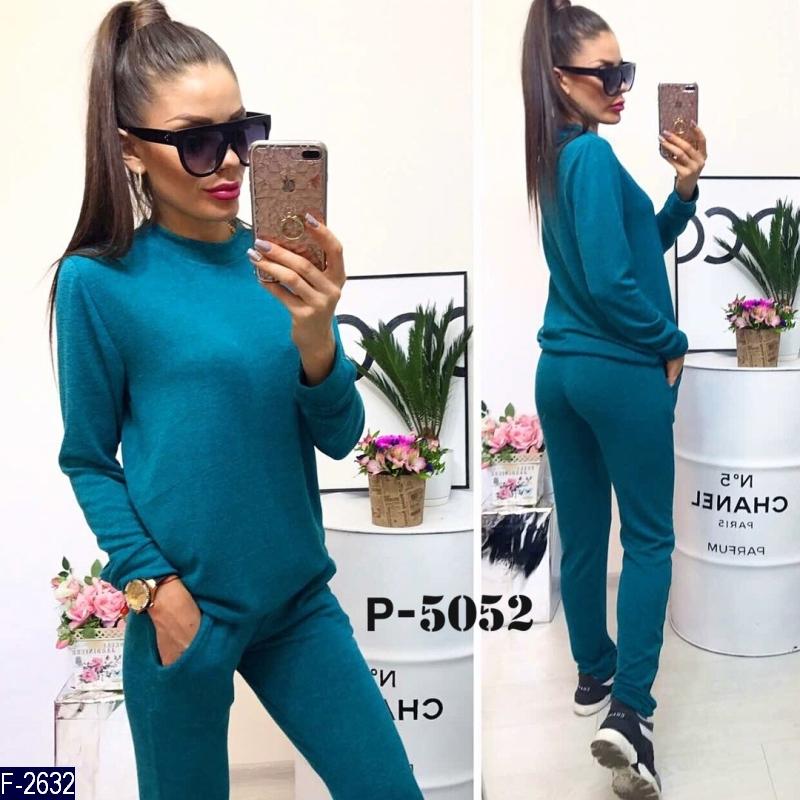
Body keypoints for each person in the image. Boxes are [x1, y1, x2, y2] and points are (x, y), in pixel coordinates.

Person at [46, 2, 424, 798]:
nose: (229, 162)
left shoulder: (280, 263)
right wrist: (158, 593)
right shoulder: (98, 283)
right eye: (196, 141)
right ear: (130, 149)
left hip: (297, 604)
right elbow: (88, 460)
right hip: (187, 617)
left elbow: (341, 436)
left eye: (242, 132)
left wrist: (317, 335)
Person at [520, 1, 707, 797]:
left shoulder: (558, 155)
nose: (622, 87)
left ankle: (594, 673)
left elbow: (635, 248)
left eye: (625, 72)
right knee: (652, 540)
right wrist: (671, 341)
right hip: (617, 369)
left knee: (586, 532)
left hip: (560, 372)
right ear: (560, 78)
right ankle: (632, 714)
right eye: (607, 74)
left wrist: (683, 191)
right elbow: (612, 283)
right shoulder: (591, 157)